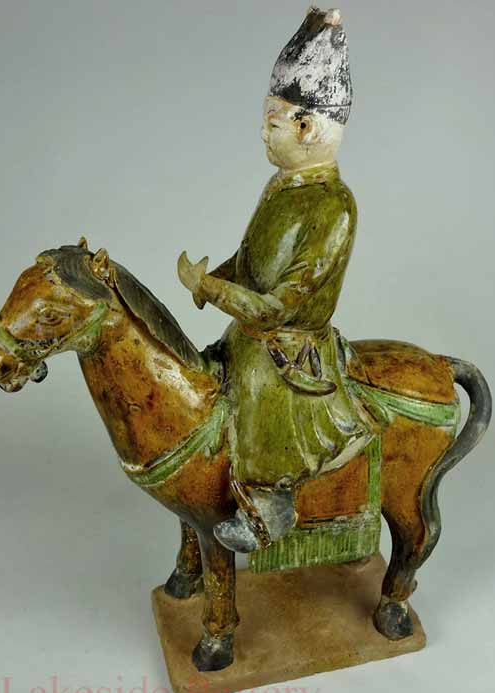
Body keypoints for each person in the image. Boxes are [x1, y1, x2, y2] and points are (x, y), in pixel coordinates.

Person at [178, 7, 373, 553]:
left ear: (307, 128)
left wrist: (212, 289)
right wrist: (216, 278)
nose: (262, 133)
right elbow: (249, 259)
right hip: (250, 333)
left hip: (287, 347)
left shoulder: (334, 205)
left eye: (273, 123)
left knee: (258, 390)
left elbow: (279, 306)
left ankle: (270, 504)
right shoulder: (281, 186)